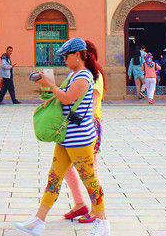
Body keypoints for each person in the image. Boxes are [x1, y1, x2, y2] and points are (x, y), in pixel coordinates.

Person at [14, 37, 109, 236]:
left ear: (78, 55)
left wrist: (51, 84)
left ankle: (102, 223)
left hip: (80, 138)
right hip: (67, 137)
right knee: (54, 177)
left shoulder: (83, 76)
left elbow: (67, 98)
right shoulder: (73, 75)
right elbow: (63, 99)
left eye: (66, 56)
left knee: (89, 179)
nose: (64, 59)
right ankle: (38, 220)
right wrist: (47, 86)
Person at [64, 40, 106, 224]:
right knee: (66, 167)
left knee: (90, 170)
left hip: (87, 126)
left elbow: (93, 103)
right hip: (76, 125)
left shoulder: (93, 75)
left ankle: (97, 210)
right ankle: (80, 203)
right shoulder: (79, 74)